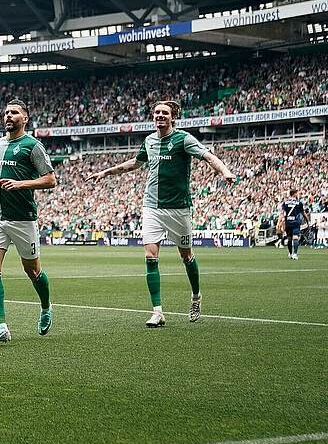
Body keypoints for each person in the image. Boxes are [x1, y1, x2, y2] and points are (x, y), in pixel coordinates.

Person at [88, 101, 235, 327]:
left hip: (178, 208)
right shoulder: (149, 141)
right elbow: (134, 164)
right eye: (157, 112)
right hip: (152, 207)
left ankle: (196, 296)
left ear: (172, 117)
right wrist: (106, 172)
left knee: (186, 256)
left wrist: (224, 171)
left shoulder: (183, 139)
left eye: (164, 113)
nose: (160, 116)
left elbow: (207, 156)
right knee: (150, 256)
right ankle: (157, 311)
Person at [0, 100, 56, 344]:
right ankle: (1, 326)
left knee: (32, 270)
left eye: (14, 112)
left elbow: (50, 180)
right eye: (6, 112)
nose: (8, 116)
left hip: (22, 218)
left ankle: (45, 307)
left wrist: (21, 184)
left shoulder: (33, 146)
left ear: (25, 118)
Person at [280, 188, 310, 260]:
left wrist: (279, 222)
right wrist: (307, 221)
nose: (298, 194)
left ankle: (290, 253)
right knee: (295, 237)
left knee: (289, 238)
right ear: (294, 194)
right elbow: (304, 214)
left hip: (288, 222)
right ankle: (295, 254)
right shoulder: (299, 203)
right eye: (297, 193)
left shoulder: (285, 202)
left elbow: (282, 213)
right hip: (296, 222)